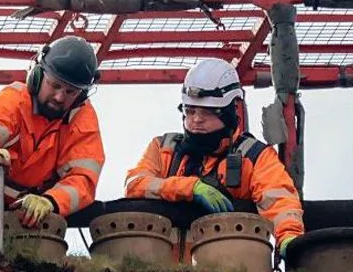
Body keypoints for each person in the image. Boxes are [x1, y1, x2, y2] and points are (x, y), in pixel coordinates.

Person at [124, 58, 304, 257]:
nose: (196, 119)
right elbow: (134, 184)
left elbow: (279, 200)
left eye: (207, 112)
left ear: (229, 112)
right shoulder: (163, 148)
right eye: (190, 111)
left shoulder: (254, 157)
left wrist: (289, 237)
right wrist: (189, 188)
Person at [0, 35, 105, 229]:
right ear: (37, 76)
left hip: (31, 219)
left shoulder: (82, 118)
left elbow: (83, 179)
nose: (59, 97)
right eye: (55, 85)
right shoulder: (14, 99)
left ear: (80, 95)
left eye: (70, 92)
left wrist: (50, 201)